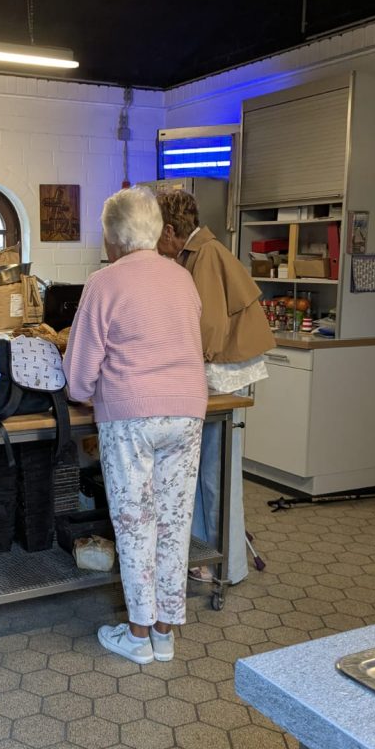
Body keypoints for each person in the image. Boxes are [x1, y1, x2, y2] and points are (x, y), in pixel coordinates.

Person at [63, 187, 207, 665]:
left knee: (135, 523)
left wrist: (84, 392)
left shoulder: (105, 282)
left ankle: (138, 634)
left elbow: (79, 375)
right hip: (187, 412)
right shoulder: (182, 279)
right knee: (173, 521)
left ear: (116, 236)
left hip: (131, 416)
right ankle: (165, 631)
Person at [154, 186, 275, 585]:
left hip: (222, 373)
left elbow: (207, 328)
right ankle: (212, 552)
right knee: (211, 466)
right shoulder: (198, 251)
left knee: (213, 471)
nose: (156, 243)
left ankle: (220, 561)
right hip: (220, 369)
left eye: (157, 233)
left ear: (170, 230)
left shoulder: (204, 254)